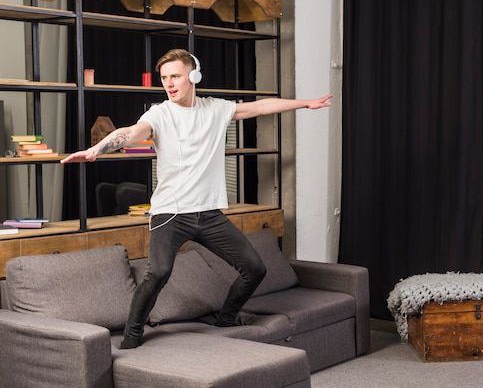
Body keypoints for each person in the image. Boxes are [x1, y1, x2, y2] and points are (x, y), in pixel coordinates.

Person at [61, 48, 332, 348]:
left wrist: (304, 104)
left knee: (255, 269)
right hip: (170, 213)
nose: (169, 83)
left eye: (175, 76)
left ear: (194, 76)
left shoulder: (215, 109)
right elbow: (132, 132)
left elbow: (260, 107)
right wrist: (98, 148)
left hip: (209, 214)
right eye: (164, 78)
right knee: (160, 272)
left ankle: (226, 319)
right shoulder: (159, 114)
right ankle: (131, 337)